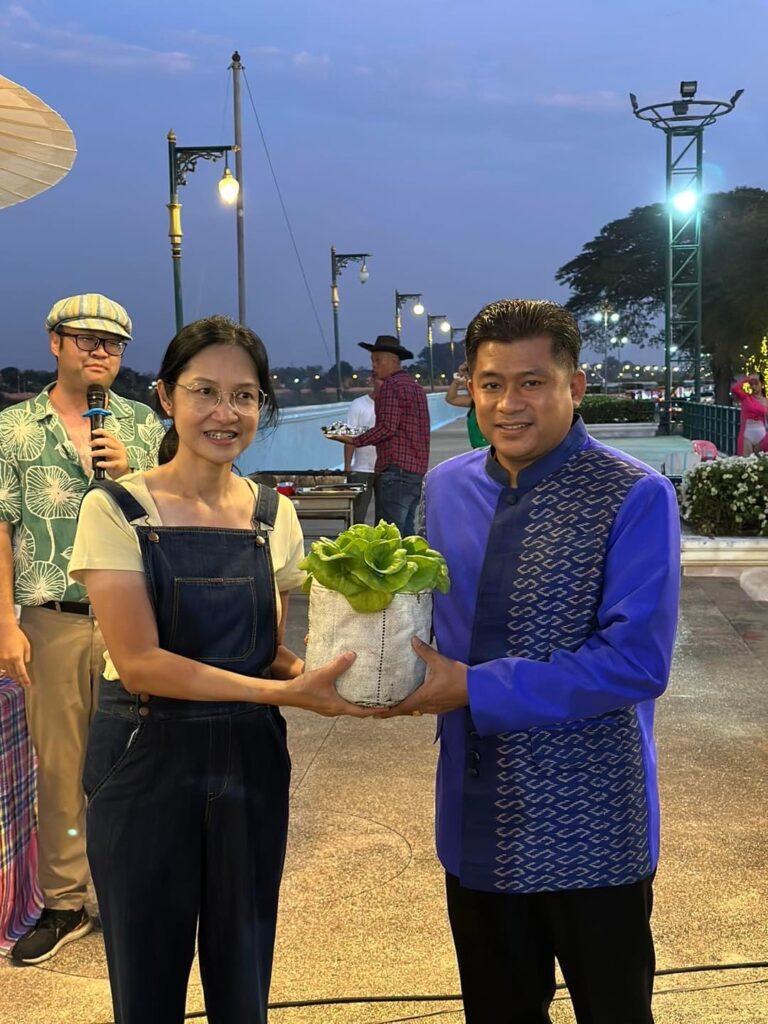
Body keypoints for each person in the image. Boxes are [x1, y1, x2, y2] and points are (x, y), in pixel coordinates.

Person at [382, 299, 681, 1024]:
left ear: (574, 386)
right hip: (477, 815)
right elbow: (418, 615)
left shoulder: (632, 494)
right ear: (469, 388)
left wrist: (472, 687)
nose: (508, 404)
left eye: (532, 383)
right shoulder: (445, 488)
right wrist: (369, 666)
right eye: (491, 384)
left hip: (592, 820)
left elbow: (636, 661)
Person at [68, 315, 370, 1024]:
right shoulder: (116, 509)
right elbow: (141, 665)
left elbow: (266, 648)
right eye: (205, 391)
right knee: (147, 975)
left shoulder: (272, 515)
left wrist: (337, 676)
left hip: (250, 757)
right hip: (144, 755)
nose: (224, 413)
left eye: (244, 396)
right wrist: (285, 691)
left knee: (244, 968)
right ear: (166, 396)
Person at [0, 293, 165, 965]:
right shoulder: (13, 428)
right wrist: (5, 624)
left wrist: (134, 475)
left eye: (113, 343)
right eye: (87, 339)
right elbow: (2, 528)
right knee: (61, 765)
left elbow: (171, 512)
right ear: (55, 343)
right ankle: (66, 902)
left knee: (142, 759)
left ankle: (136, 889)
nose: (101, 352)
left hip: (134, 616)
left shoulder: (143, 424)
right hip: (53, 619)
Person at [327, 335, 429, 535]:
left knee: (389, 536)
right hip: (416, 471)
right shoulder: (417, 389)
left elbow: (387, 428)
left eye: (378, 360)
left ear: (393, 361)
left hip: (395, 471)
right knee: (407, 533)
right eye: (372, 361)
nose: (373, 366)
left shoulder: (391, 387)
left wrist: (354, 440)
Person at [343, 377, 378, 523]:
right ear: (372, 381)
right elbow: (350, 436)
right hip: (362, 468)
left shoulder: (394, 404)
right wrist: (348, 465)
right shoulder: (358, 404)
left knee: (386, 516)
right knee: (357, 514)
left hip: (387, 468)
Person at [445, 361, 488, 448]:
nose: (465, 380)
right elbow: (451, 398)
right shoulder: (474, 402)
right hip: (480, 451)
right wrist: (458, 379)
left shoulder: (487, 400)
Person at [731, 372, 768, 455]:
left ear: (762, 385)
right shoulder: (745, 397)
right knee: (745, 460)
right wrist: (747, 379)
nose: (753, 387)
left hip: (762, 434)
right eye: (751, 384)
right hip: (747, 434)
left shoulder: (766, 401)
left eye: (756, 384)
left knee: (760, 461)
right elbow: (735, 388)